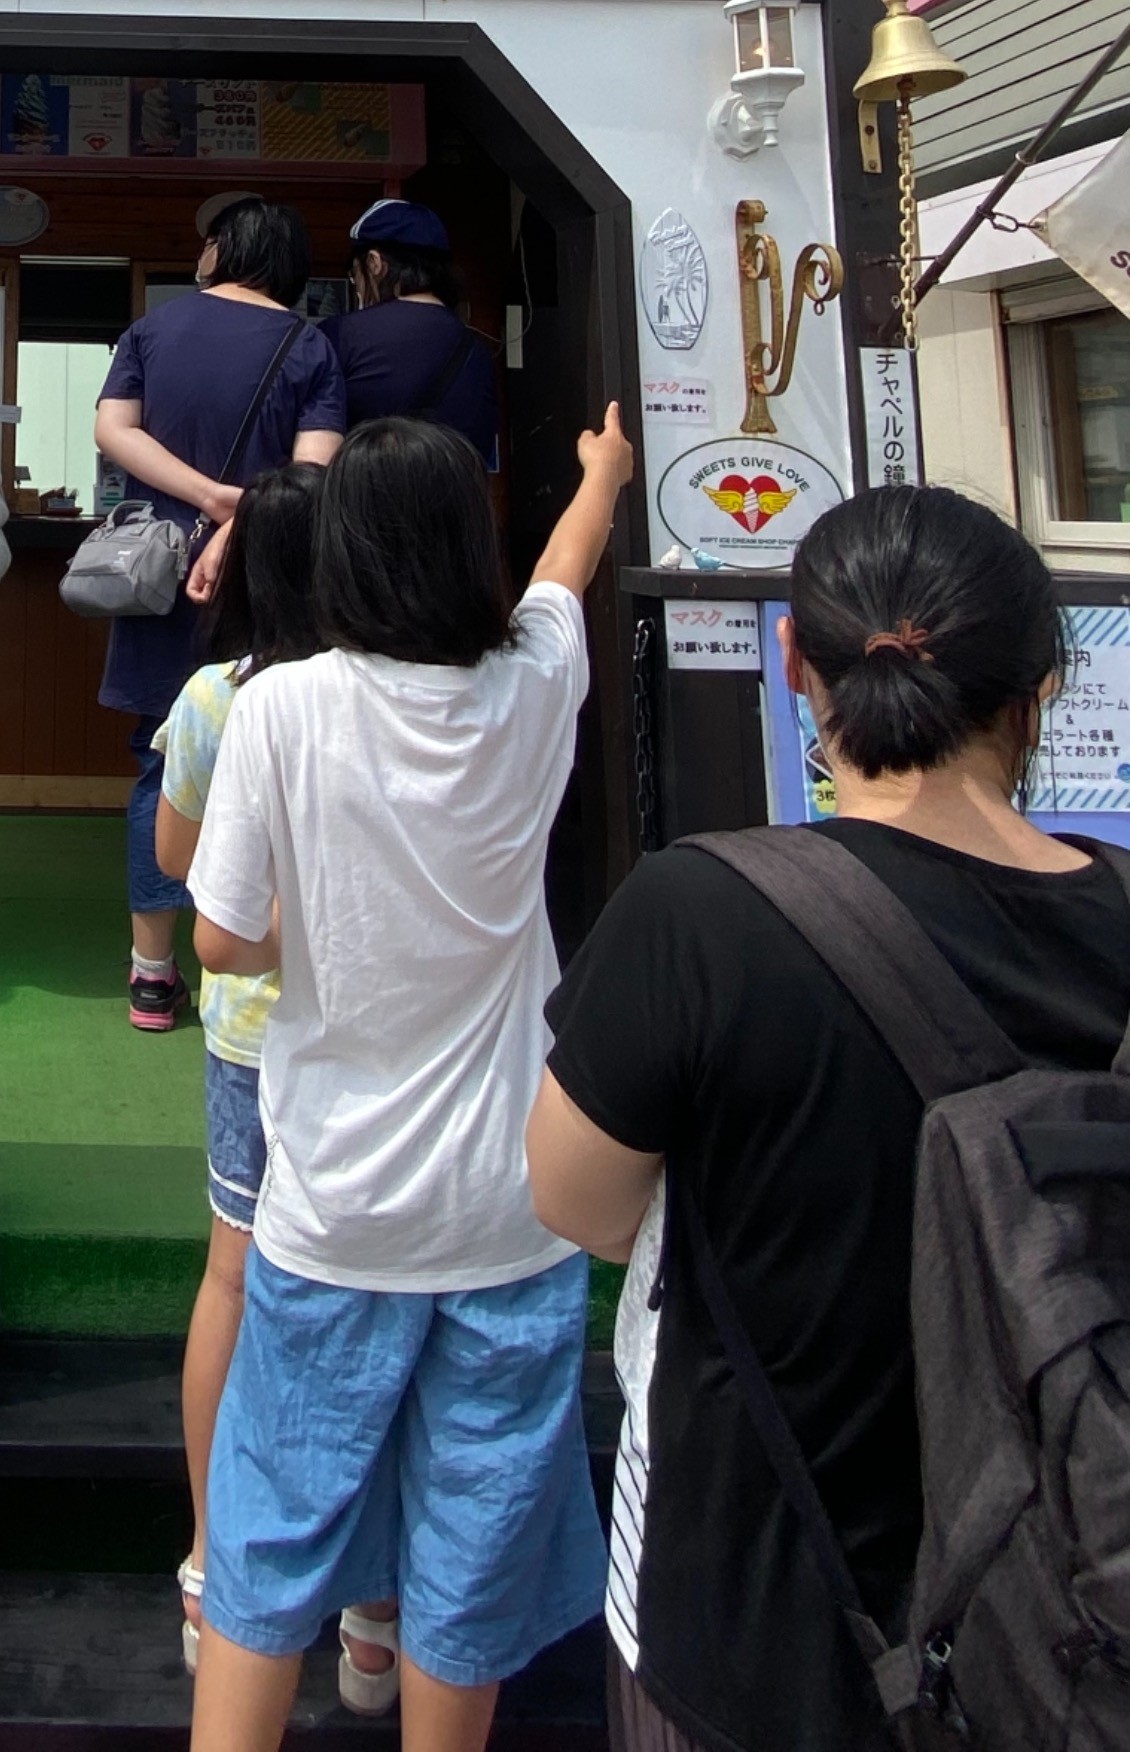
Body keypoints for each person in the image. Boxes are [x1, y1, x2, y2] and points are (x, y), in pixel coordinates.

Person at [528, 482, 1127, 1752]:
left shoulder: (699, 912)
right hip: (1072, 1630)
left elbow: (573, 1201)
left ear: (796, 662)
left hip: (754, 1619)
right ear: (1041, 688)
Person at [189, 404, 633, 1752]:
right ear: (461, 549)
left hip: (333, 1204)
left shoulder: (280, 709)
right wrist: (602, 472)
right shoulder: (530, 686)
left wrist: (318, 921)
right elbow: (565, 573)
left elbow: (215, 933)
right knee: (474, 1542)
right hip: (511, 1212)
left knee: (267, 1536)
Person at [151, 463, 327, 1674]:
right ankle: (366, 1599)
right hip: (375, 1042)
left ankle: (213, 1562)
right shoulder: (403, 690)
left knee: (234, 1277)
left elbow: (174, 855)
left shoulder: (220, 696)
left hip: (250, 1033)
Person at [93, 197, 345, 1033]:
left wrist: (203, 500)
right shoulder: (308, 344)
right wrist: (240, 520)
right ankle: (255, 957)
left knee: (162, 767)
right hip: (271, 577)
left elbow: (111, 429)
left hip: (160, 572)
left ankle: (153, 975)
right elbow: (313, 472)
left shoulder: (152, 332)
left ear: (220, 251)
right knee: (277, 761)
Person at [326, 198, 500, 465]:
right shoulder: (477, 352)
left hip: (361, 502)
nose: (357, 288)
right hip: (456, 504)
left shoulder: (341, 336)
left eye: (355, 276)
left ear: (374, 263)